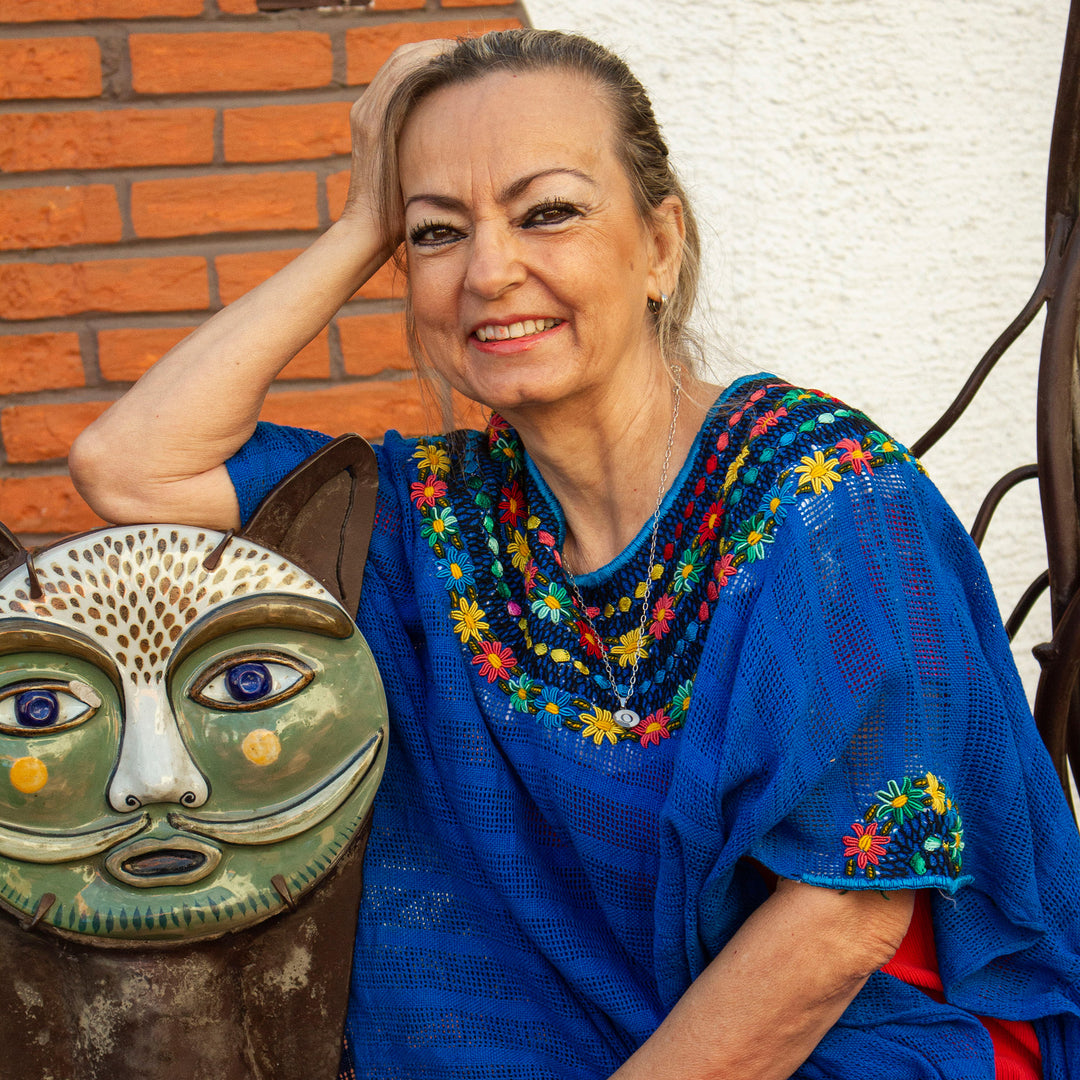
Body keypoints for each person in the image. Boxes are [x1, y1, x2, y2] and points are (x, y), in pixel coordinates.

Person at [70, 28, 1080, 1080]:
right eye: (438, 234)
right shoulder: (431, 520)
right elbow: (131, 466)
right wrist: (367, 213)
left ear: (658, 244)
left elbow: (842, 918)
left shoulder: (824, 496)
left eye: (546, 211)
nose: (490, 271)